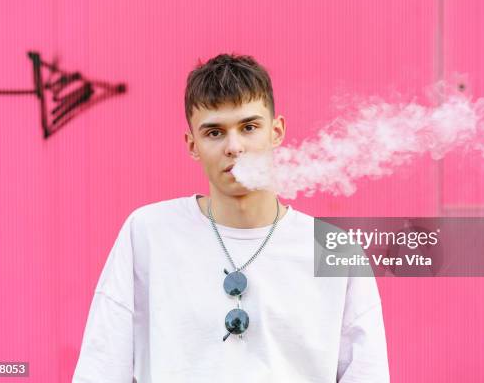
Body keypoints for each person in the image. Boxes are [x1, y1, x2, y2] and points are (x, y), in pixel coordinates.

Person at [72, 53, 390, 382]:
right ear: (192, 144)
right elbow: (101, 367)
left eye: (249, 127)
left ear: (276, 131)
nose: (234, 146)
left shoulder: (335, 251)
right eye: (214, 133)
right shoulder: (148, 233)